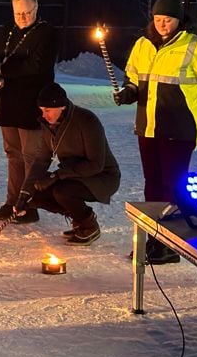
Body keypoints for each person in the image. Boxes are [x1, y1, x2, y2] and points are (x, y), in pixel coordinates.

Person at [114, 0, 197, 264]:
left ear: (179, 20)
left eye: (169, 19)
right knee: (153, 187)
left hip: (179, 128)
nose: (163, 24)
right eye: (159, 18)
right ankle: (155, 240)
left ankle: (170, 245)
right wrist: (127, 93)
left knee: (172, 187)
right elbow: (134, 80)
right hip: (148, 128)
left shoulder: (196, 47)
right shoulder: (142, 44)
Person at [15, 83, 121, 246]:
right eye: (42, 110)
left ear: (61, 107)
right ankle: (79, 219)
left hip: (101, 176)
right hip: (72, 175)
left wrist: (56, 176)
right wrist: (24, 194)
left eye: (48, 110)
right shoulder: (49, 126)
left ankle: (89, 225)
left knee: (62, 192)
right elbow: (41, 160)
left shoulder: (86, 121)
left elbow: (95, 164)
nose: (44, 115)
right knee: (35, 195)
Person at [0, 0, 58, 222]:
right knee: (13, 154)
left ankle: (30, 204)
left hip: (31, 102)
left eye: (27, 13)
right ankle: (12, 202)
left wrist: (3, 71)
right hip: (7, 100)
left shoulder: (47, 33)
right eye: (19, 13)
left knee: (31, 156)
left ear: (36, 10)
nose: (23, 18)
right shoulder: (7, 29)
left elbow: (36, 65)